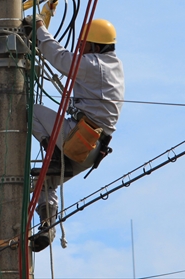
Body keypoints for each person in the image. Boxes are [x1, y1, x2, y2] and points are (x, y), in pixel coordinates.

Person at [28, 16, 125, 252]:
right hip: (91, 150)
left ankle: (55, 154)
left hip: (79, 137)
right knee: (44, 182)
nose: (81, 49)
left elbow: (61, 59)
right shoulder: (114, 65)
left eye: (84, 45)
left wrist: (39, 30)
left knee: (31, 111)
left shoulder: (94, 65)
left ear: (95, 46)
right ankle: (47, 226)